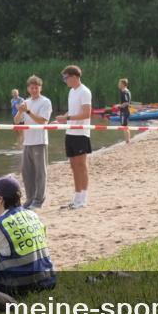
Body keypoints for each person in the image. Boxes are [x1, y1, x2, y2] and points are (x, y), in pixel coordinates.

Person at [56, 65, 92, 210]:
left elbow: (86, 113)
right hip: (70, 132)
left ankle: (83, 199)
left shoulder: (85, 91)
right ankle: (76, 197)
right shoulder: (72, 92)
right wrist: (62, 118)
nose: (65, 81)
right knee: (73, 166)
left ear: (74, 77)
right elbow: (71, 111)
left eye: (66, 77)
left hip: (81, 133)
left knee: (81, 166)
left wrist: (68, 118)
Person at [14, 76, 52, 209]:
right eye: (32, 87)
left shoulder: (45, 102)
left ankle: (39, 199)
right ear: (28, 88)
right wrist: (20, 111)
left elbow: (42, 120)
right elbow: (17, 121)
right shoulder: (26, 102)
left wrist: (28, 111)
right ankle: (30, 198)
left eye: (36, 87)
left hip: (39, 141)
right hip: (27, 142)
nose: (34, 90)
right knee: (27, 172)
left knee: (40, 172)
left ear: (40, 88)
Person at [118, 78, 132, 144]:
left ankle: (127, 141)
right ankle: (127, 140)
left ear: (123, 84)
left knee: (124, 126)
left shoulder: (125, 92)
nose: (118, 84)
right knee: (124, 126)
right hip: (124, 111)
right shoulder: (124, 91)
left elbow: (126, 103)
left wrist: (119, 106)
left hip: (125, 111)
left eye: (119, 83)